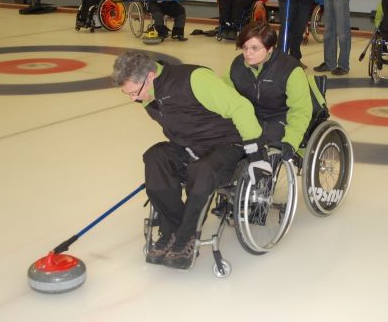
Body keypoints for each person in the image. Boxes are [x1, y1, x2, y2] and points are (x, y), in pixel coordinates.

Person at [111, 52, 271, 271]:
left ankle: (186, 236)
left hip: (226, 144)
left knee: (202, 169)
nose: (133, 99)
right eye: (127, 93)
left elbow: (240, 108)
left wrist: (255, 153)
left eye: (134, 92)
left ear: (150, 76)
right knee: (155, 157)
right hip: (188, 146)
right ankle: (171, 231)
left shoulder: (194, 79)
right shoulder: (147, 93)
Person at [223, 20, 313, 160]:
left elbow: (300, 110)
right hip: (248, 118)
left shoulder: (290, 69)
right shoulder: (237, 65)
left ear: (270, 48)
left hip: (279, 119)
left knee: (262, 147)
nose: (248, 53)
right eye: (245, 47)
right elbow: (225, 98)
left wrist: (291, 141)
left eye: (255, 48)